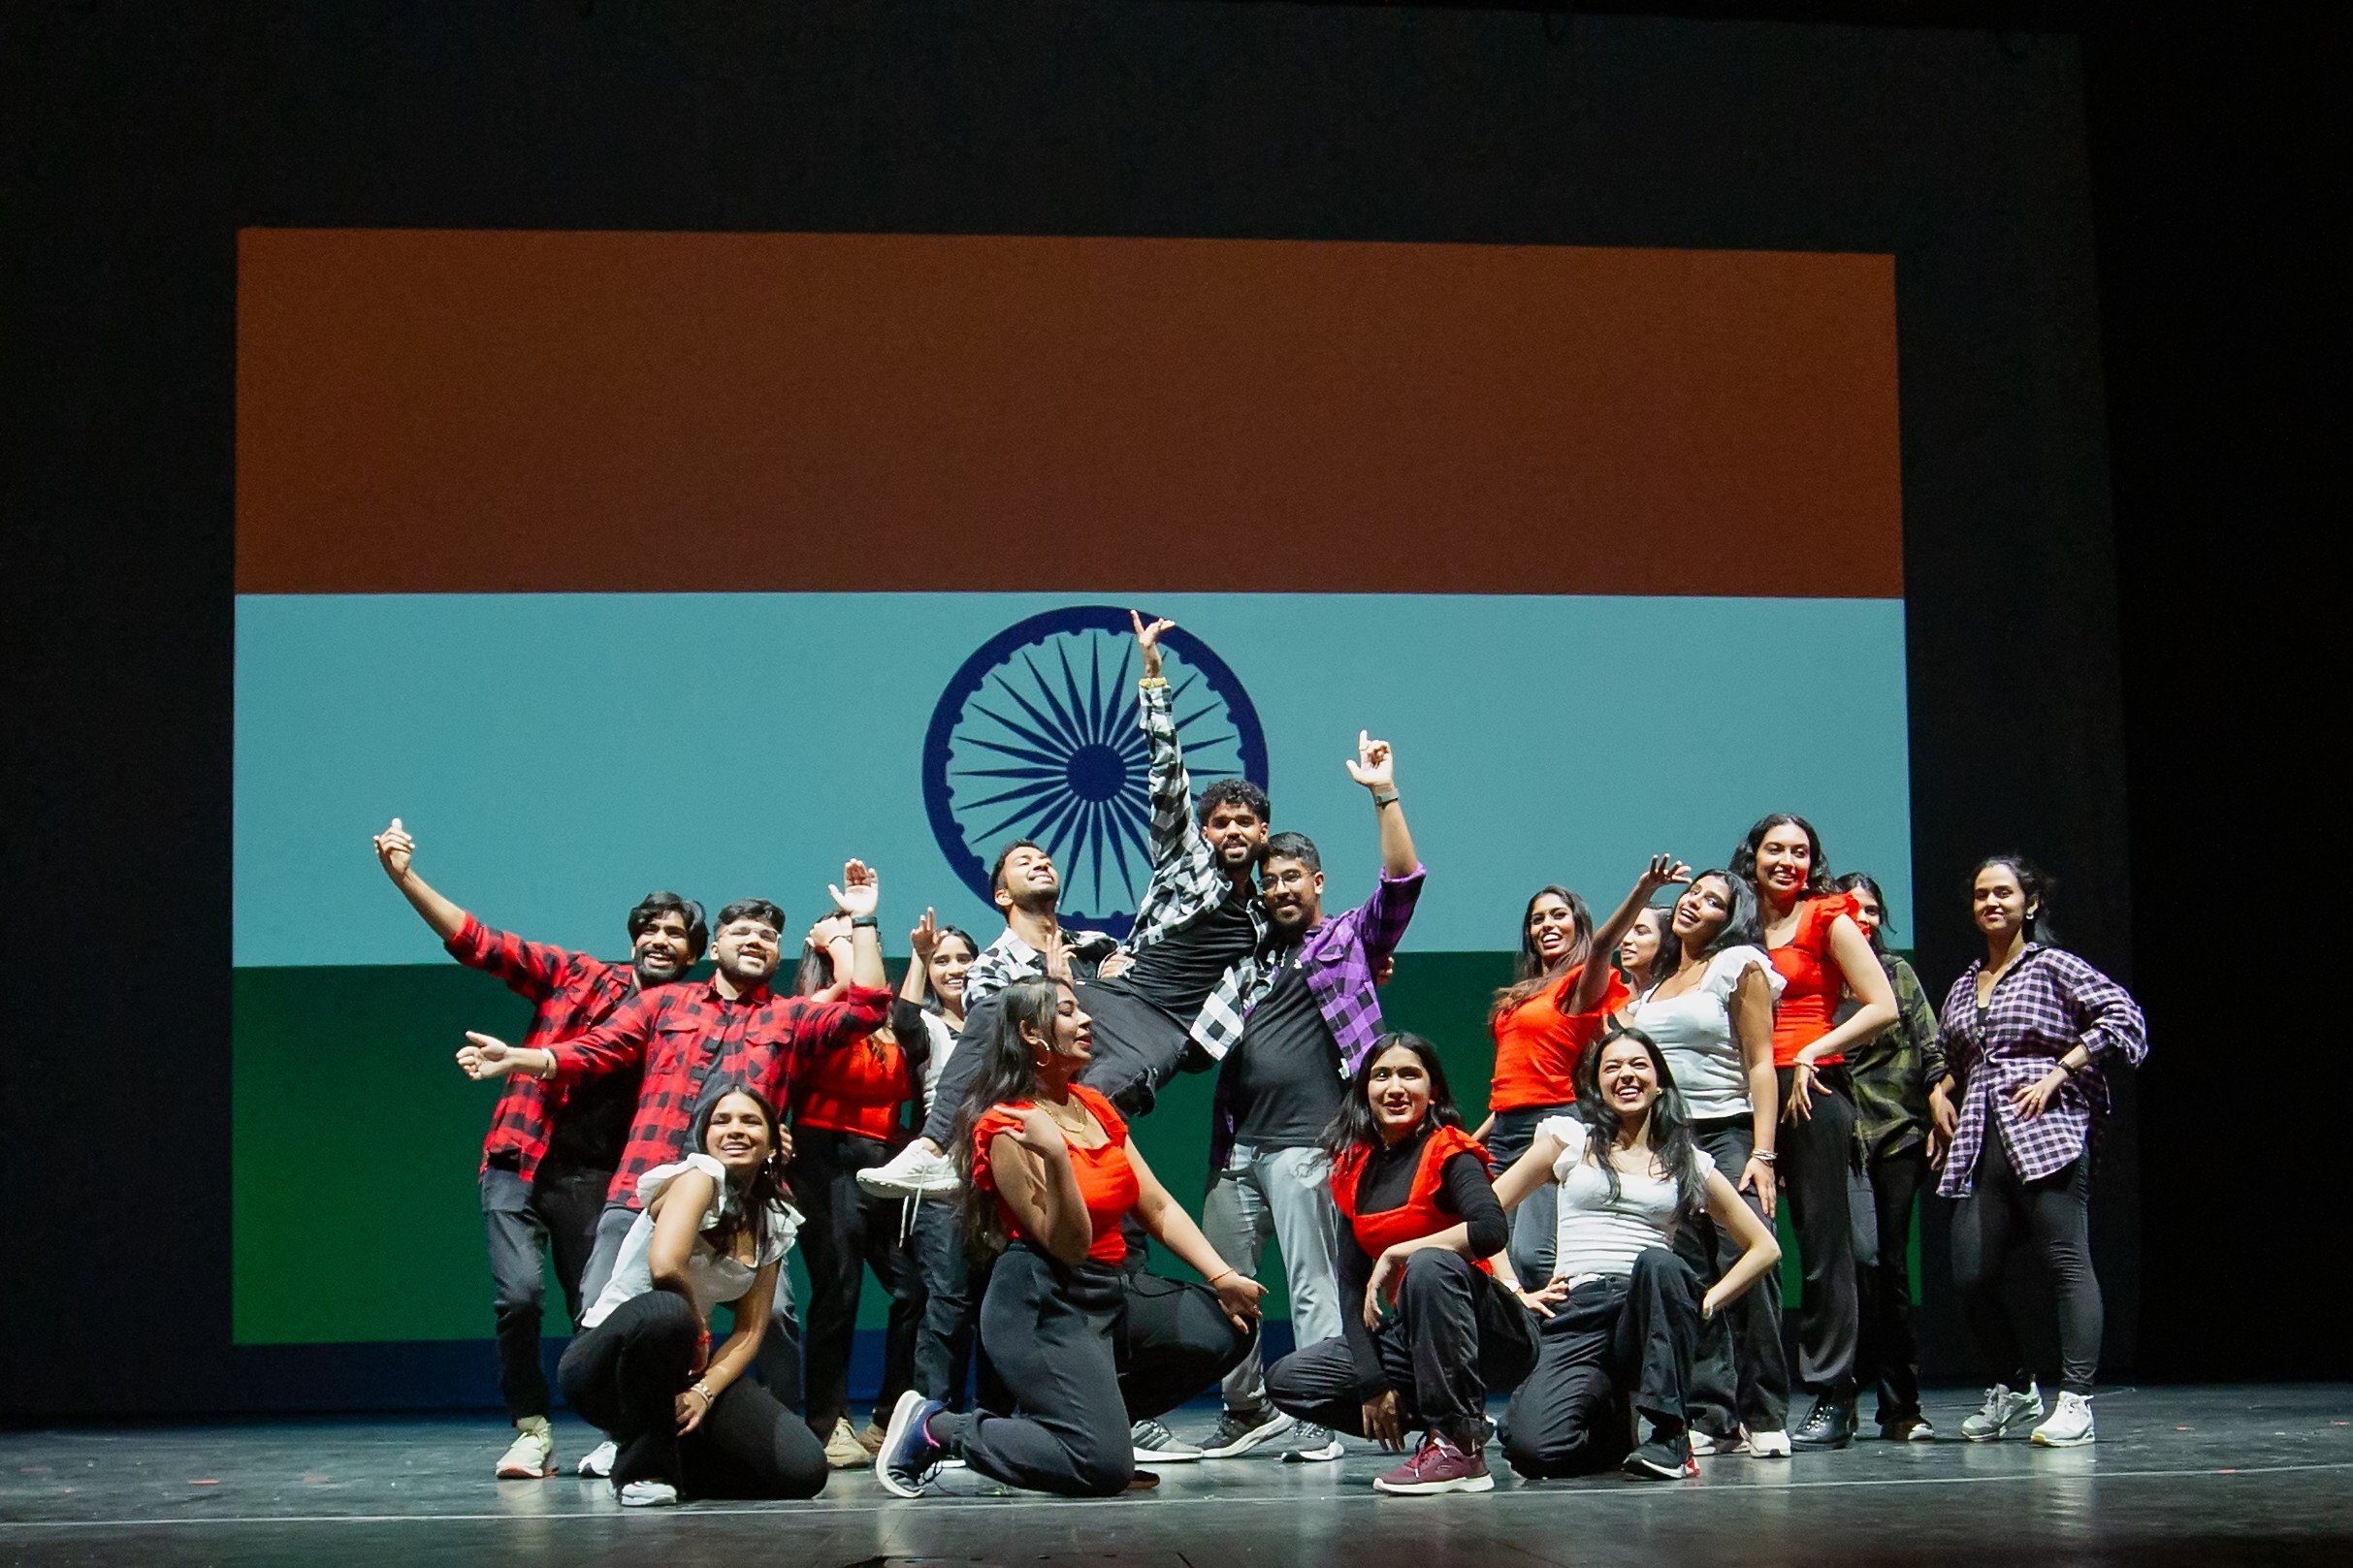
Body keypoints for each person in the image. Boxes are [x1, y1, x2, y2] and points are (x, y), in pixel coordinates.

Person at [456, 868, 894, 1465]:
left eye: (768, 937)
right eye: (741, 932)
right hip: (642, 1192)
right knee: (603, 1318)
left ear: (777, 955)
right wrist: (520, 1058)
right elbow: (593, 1052)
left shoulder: (789, 1018)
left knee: (776, 1321)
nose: (755, 941)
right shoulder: (664, 1002)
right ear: (715, 948)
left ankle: (771, 1440)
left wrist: (863, 919)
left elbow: (868, 1007)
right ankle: (629, 1437)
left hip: (741, 1205)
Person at [371, 816, 703, 1481]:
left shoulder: (689, 1014)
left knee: (600, 1311)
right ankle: (532, 1429)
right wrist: (405, 879)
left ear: (693, 955)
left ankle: (618, 1431)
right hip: (518, 1160)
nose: (660, 940)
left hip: (600, 1177)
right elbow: (479, 942)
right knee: (519, 1297)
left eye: (675, 934)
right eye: (651, 928)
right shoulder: (579, 976)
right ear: (633, 938)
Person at [872, 978, 1262, 1499]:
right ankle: (938, 1427)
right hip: (1043, 1302)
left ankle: (1094, 1429)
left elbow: (1157, 1206)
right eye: (1068, 1012)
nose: (1087, 1021)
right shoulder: (1006, 1126)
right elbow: (1069, 1247)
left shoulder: (1093, 1106)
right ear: (1031, 1033)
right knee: (1101, 1470)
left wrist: (1223, 1275)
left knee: (1229, 1326)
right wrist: (1056, 1156)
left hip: (1108, 1291)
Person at [1198, 731, 1425, 1463]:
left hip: (1308, 1143)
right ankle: (1246, 1409)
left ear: (1318, 882)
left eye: (1293, 877)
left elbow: (1402, 882)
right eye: (1271, 881)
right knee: (1226, 1283)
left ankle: (1318, 1415)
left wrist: (1383, 793)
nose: (1280, 890)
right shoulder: (1248, 953)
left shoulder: (1348, 942)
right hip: (1237, 1147)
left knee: (1311, 1286)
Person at [1490, 1026, 1781, 1482]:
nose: (1626, 1074)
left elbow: (1764, 1247)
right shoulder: (1570, 1141)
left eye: (1638, 1064)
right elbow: (1487, 1215)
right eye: (1612, 1067)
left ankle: (1670, 1435)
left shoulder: (1687, 1160)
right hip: (1579, 1309)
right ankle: (1613, 1430)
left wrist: (1707, 1301)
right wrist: (1512, 1287)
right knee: (1532, 1451)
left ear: (1659, 1082)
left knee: (1660, 1263)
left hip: (1646, 1308)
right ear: (1598, 1085)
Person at [1260, 1035, 1537, 1496]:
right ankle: (1441, 1427)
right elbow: (1351, 1285)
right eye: (1382, 1075)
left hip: (1490, 1333)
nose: (1395, 1088)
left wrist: (1397, 1252)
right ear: (1364, 1090)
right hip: (1419, 1337)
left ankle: (1460, 1445)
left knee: (1429, 1265)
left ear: (1433, 1091)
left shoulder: (1449, 1149)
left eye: (1410, 1075)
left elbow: (1490, 1230)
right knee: (1290, 1380)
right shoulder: (1354, 1166)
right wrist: (1372, 1383)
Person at [1932, 857, 2147, 1450]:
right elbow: (1960, 1058)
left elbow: (2124, 1016)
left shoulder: (2053, 966)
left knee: (2066, 1262)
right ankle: (2015, 1386)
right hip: (1981, 1138)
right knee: (1971, 1275)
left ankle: (2076, 1401)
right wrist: (1940, 1093)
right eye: (1981, 894)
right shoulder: (1964, 984)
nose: (1991, 903)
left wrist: (2062, 1069)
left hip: (2047, 1131)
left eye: (2003, 892)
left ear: (2030, 903)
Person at [558, 1081, 827, 1506]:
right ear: (706, 1139)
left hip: (679, 1369)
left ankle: (670, 1452)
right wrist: (700, 1331)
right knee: (668, 1311)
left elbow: (749, 1331)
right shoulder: (698, 1179)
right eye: (722, 1121)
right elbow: (666, 1266)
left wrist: (704, 1392)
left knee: (802, 1469)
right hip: (608, 1366)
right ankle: (641, 1471)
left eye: (750, 1121)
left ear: (774, 1144)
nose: (735, 1129)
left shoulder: (772, 1221)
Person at [1733, 814, 1897, 1449]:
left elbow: (1881, 1005)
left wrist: (1812, 1049)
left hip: (1812, 1091)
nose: (1788, 861)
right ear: (1753, 856)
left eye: (1800, 851)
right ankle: (1746, 1397)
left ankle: (1833, 1392)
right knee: (1746, 1243)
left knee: (1825, 1248)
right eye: (1775, 849)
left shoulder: (1828, 916)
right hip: (1743, 1096)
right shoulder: (1738, 924)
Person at [1626, 870, 1791, 1456]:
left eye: (1713, 900)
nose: (1695, 903)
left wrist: (1763, 1153)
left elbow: (1761, 1062)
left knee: (1747, 1261)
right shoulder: (1655, 986)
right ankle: (1712, 1412)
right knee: (1690, 1271)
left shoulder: (1737, 964)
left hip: (1728, 1133)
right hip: (1670, 1138)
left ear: (1732, 917)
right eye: (1693, 893)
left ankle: (1764, 1413)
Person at [856, 840, 1116, 1200]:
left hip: (1107, 1098)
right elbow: (1006, 1052)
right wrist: (1059, 992)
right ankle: (933, 1148)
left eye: (1045, 859)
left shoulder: (1098, 947)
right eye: (1024, 862)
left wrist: (1105, 975)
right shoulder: (990, 969)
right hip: (1042, 1116)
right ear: (1002, 896)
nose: (1041, 863)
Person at [1476, 859, 1688, 1286]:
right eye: (1537, 919)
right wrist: (1475, 1139)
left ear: (1578, 924)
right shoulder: (1523, 993)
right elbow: (1512, 1082)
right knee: (1493, 1249)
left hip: (1548, 1125)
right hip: (1505, 1131)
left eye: (1558, 915)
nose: (1546, 926)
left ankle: (1566, 1324)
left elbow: (1604, 944)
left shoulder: (1578, 983)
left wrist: (1645, 889)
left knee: (1533, 1257)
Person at [785, 917, 926, 1467]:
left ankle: (889, 1417)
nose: (861, 946)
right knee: (838, 1292)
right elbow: (854, 994)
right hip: (826, 1155)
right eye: (844, 939)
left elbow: (896, 1017)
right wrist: (840, 939)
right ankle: (829, 1423)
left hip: (885, 1157)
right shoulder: (813, 1008)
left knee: (914, 1289)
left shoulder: (889, 1020)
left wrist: (918, 956)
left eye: (865, 939)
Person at [1832, 871, 1947, 1442]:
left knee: (1892, 1267)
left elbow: (1930, 1043)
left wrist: (1939, 1095)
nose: (1864, 918)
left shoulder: (1896, 971)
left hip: (1897, 1131)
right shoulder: (1819, 977)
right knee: (1858, 1264)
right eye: (1851, 908)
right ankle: (1840, 1396)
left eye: (1872, 910)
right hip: (1837, 1137)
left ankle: (1902, 1406)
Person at [889, 911, 988, 1414]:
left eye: (963, 958)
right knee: (948, 1300)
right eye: (942, 961)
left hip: (999, 1173)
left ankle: (996, 1418)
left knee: (996, 1302)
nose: (955, 969)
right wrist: (918, 954)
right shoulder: (927, 1024)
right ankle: (934, 1419)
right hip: (942, 1178)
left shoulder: (997, 1023)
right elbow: (903, 1024)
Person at [1616, 904, 1677, 996]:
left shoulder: (1679, 997)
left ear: (1667, 942)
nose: (1625, 939)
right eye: (1624, 931)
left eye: (1640, 932)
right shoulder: (1611, 997)